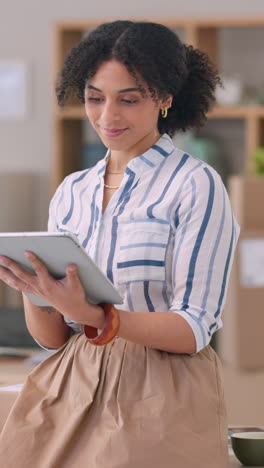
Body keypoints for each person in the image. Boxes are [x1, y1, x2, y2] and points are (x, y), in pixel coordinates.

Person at [0, 20, 239, 468]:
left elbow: (193, 329)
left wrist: (95, 316)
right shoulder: (72, 191)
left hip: (159, 388)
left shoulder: (195, 185)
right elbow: (54, 339)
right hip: (71, 383)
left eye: (128, 99)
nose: (108, 117)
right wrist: (35, 291)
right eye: (95, 98)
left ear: (165, 98)